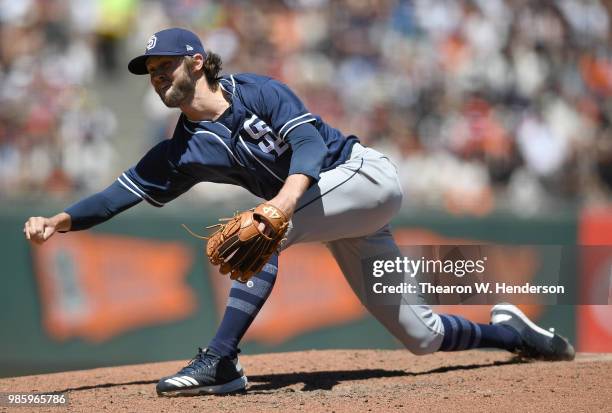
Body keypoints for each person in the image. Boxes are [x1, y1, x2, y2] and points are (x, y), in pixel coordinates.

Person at [23, 28, 575, 397]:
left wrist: (282, 205)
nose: (157, 76)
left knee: (262, 229)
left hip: (364, 178)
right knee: (421, 335)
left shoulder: (257, 92)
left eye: (165, 64)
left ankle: (221, 362)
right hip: (329, 213)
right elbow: (121, 193)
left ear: (196, 60)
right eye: (150, 71)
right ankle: (510, 333)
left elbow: (310, 145)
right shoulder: (182, 150)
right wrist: (59, 221)